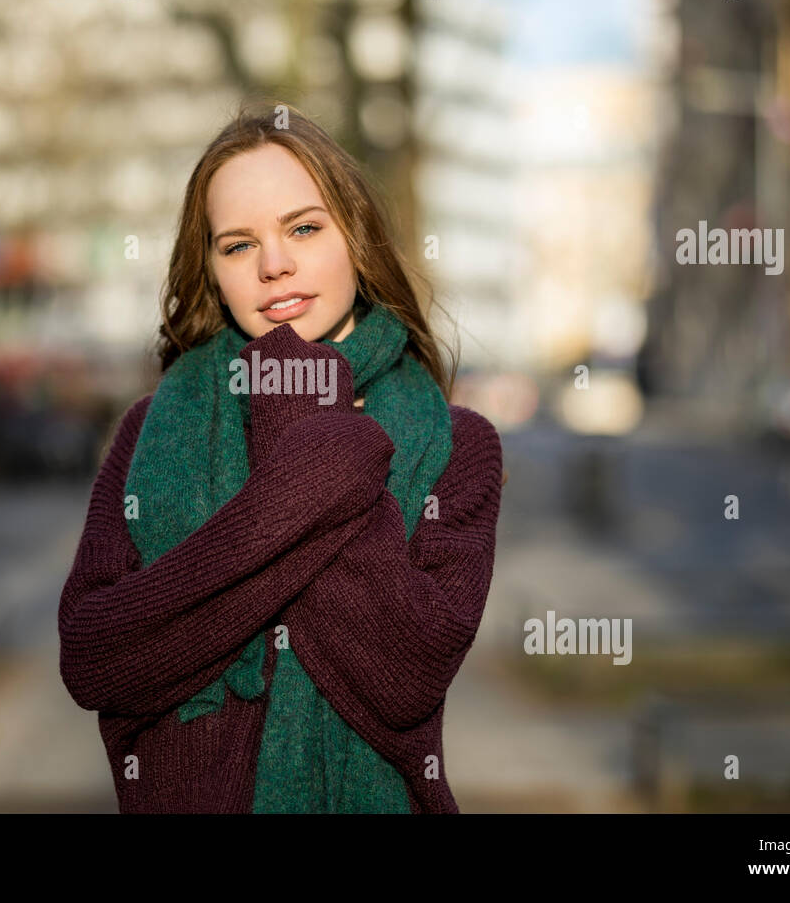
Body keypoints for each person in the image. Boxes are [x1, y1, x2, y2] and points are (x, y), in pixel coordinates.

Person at [57, 103, 506, 813]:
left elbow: (404, 674)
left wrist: (298, 419)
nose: (274, 264)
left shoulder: (459, 446)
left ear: (356, 238)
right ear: (209, 269)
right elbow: (95, 659)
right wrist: (327, 463)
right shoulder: (150, 431)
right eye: (237, 245)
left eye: (303, 227)